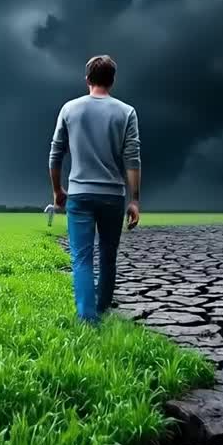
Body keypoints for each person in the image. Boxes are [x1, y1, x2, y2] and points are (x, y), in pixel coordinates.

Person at [48, 54, 141, 324]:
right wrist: (134, 200)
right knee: (108, 256)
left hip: (79, 195)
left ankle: (88, 319)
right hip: (113, 196)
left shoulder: (69, 109)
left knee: (82, 259)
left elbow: (56, 154)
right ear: (112, 80)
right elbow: (132, 158)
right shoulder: (126, 112)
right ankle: (102, 309)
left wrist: (57, 190)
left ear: (87, 79)